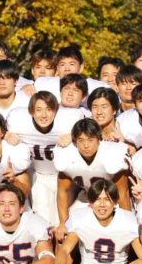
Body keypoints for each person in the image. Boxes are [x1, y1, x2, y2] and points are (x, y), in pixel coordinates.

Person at [54, 179, 142, 264]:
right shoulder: (80, 217)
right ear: (90, 202)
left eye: (107, 199)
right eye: (97, 199)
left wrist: (141, 261)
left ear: (115, 202)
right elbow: (64, 250)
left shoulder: (128, 219)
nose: (102, 204)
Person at [5, 92, 83, 227]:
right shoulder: (18, 121)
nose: (44, 115)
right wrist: (5, 134)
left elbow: (90, 132)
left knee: (63, 220)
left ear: (56, 111)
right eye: (39, 110)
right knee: (44, 220)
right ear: (31, 112)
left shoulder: (70, 120)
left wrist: (75, 135)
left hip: (64, 178)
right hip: (39, 177)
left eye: (49, 109)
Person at [53, 118, 131, 242]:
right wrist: (62, 223)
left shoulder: (112, 154)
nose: (86, 145)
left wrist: (129, 222)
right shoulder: (67, 155)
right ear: (75, 141)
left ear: (99, 139)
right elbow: (63, 191)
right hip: (86, 197)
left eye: (90, 140)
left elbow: (123, 194)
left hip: (111, 199)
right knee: (63, 234)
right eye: (81, 140)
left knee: (122, 232)